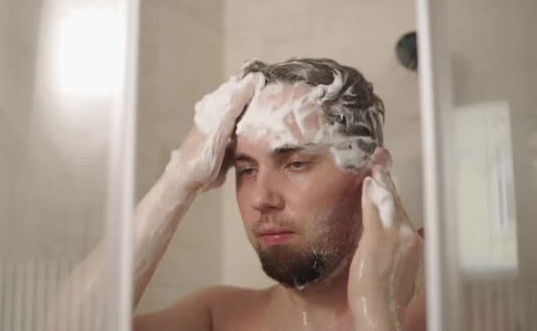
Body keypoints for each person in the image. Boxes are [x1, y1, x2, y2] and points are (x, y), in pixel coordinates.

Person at [41, 58, 425, 331]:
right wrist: (179, 179)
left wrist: (376, 313)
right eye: (246, 170)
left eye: (295, 164)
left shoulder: (446, 307)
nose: (261, 198)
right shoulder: (217, 317)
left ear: (371, 175)